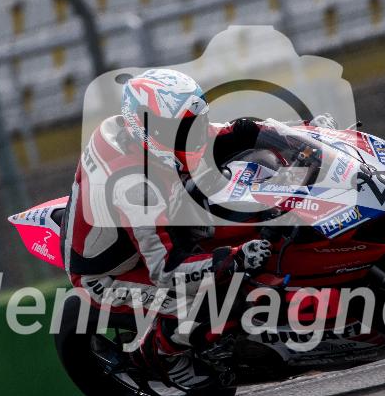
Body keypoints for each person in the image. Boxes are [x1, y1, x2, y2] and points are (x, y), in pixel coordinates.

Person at [61, 68, 279, 371]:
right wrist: (234, 258)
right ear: (149, 127)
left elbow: (237, 132)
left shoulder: (157, 138)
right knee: (210, 309)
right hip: (111, 273)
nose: (194, 134)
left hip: (147, 225)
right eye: (181, 129)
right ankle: (158, 358)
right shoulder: (135, 185)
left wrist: (305, 134)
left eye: (195, 123)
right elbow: (166, 270)